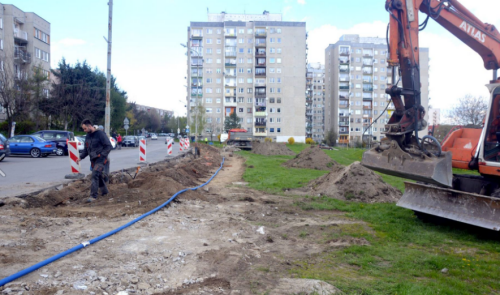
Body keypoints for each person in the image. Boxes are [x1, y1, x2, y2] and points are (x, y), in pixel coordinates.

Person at [77, 119, 112, 202]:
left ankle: (93, 196)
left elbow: (108, 146)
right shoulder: (88, 136)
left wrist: (102, 155)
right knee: (98, 176)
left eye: (85, 128)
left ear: (89, 126)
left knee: (95, 174)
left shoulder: (100, 134)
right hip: (93, 160)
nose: (84, 130)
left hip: (101, 159)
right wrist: (80, 158)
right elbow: (86, 150)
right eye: (83, 129)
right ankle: (105, 191)